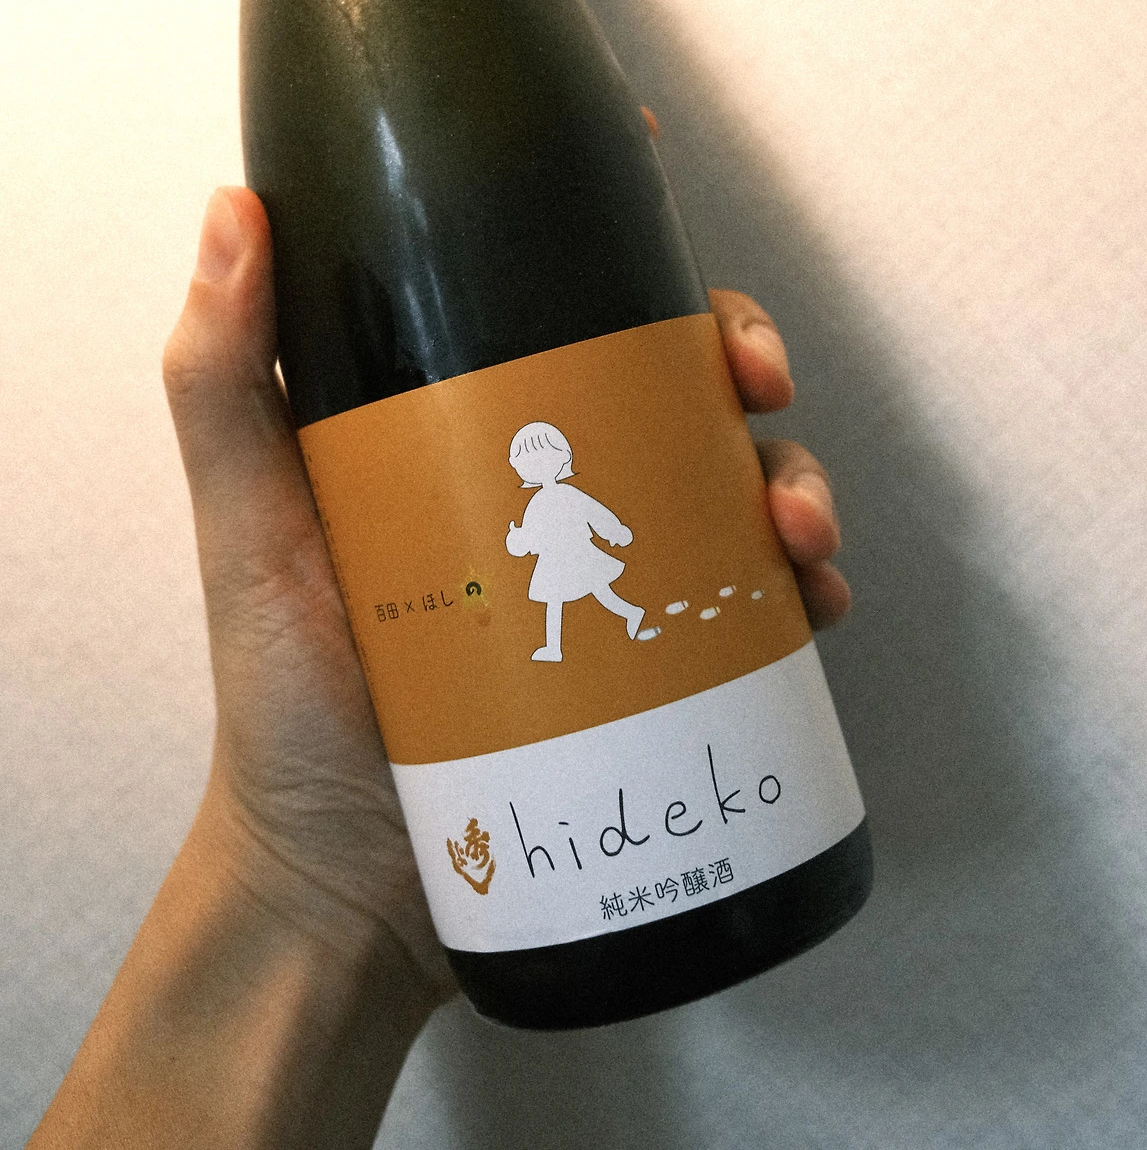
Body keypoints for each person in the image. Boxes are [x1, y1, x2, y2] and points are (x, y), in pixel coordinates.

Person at [32, 182, 851, 1148]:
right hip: (501, 846)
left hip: (711, 791)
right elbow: (550, 530)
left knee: (587, 596)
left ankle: (622, 621)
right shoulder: (538, 501)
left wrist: (311, 898)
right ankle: (617, 623)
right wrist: (309, 882)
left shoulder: (559, 493)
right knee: (573, 602)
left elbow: (588, 517)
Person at [505, 420, 656, 660]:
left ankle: (630, 613)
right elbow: (530, 535)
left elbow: (594, 512)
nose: (537, 465)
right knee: (560, 598)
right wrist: (517, 540)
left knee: (597, 591)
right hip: (553, 559)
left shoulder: (567, 494)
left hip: (577, 551)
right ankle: (554, 648)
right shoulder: (536, 502)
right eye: (527, 461)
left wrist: (614, 530)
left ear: (563, 456)